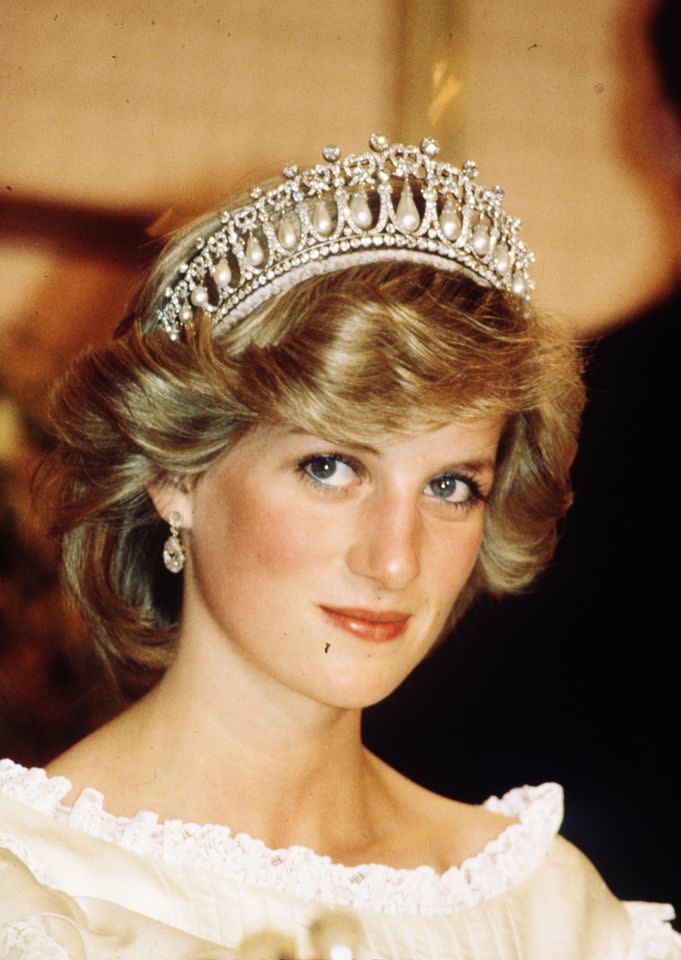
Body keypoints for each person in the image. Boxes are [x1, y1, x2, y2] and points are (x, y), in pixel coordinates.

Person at [0, 135, 678, 959]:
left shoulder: (550, 913)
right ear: (178, 475)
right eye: (331, 468)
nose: (395, 560)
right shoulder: (31, 889)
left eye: (450, 486)